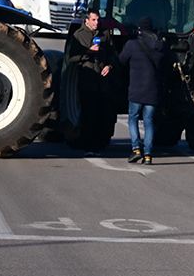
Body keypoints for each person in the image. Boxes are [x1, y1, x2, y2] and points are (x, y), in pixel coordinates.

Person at [66, 10, 118, 153]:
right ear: (87, 20)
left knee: (102, 114)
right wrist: (87, 53)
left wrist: (109, 65)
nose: (96, 23)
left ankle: (99, 145)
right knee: (88, 115)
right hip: (87, 81)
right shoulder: (78, 36)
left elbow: (113, 54)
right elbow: (72, 58)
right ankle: (87, 144)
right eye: (94, 20)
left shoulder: (104, 34)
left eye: (98, 20)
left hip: (102, 82)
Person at [119, 16, 165, 164]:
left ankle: (136, 149)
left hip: (136, 90)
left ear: (139, 29)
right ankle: (148, 154)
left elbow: (122, 60)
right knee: (149, 122)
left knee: (133, 118)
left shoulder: (132, 45)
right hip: (153, 90)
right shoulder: (160, 46)